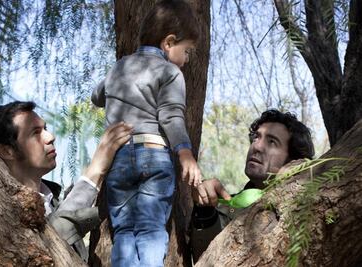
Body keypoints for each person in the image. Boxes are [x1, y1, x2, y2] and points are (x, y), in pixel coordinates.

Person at [91, 1, 202, 266]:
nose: (186, 60)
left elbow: (96, 96)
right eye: (186, 51)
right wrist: (185, 153)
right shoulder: (170, 71)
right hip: (153, 154)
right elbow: (171, 115)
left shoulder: (120, 66)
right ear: (169, 42)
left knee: (124, 232)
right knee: (151, 229)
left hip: (118, 160)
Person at [0, 101, 133, 262]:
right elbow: (49, 243)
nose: (50, 137)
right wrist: (96, 168)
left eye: (45, 128)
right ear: (6, 151)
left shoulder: (56, 199)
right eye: (35, 133)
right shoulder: (0, 213)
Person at [190, 109, 315, 262]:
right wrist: (205, 210)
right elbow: (204, 258)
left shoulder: (313, 209)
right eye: (256, 137)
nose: (257, 147)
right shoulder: (227, 205)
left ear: (293, 160)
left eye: (271, 142)